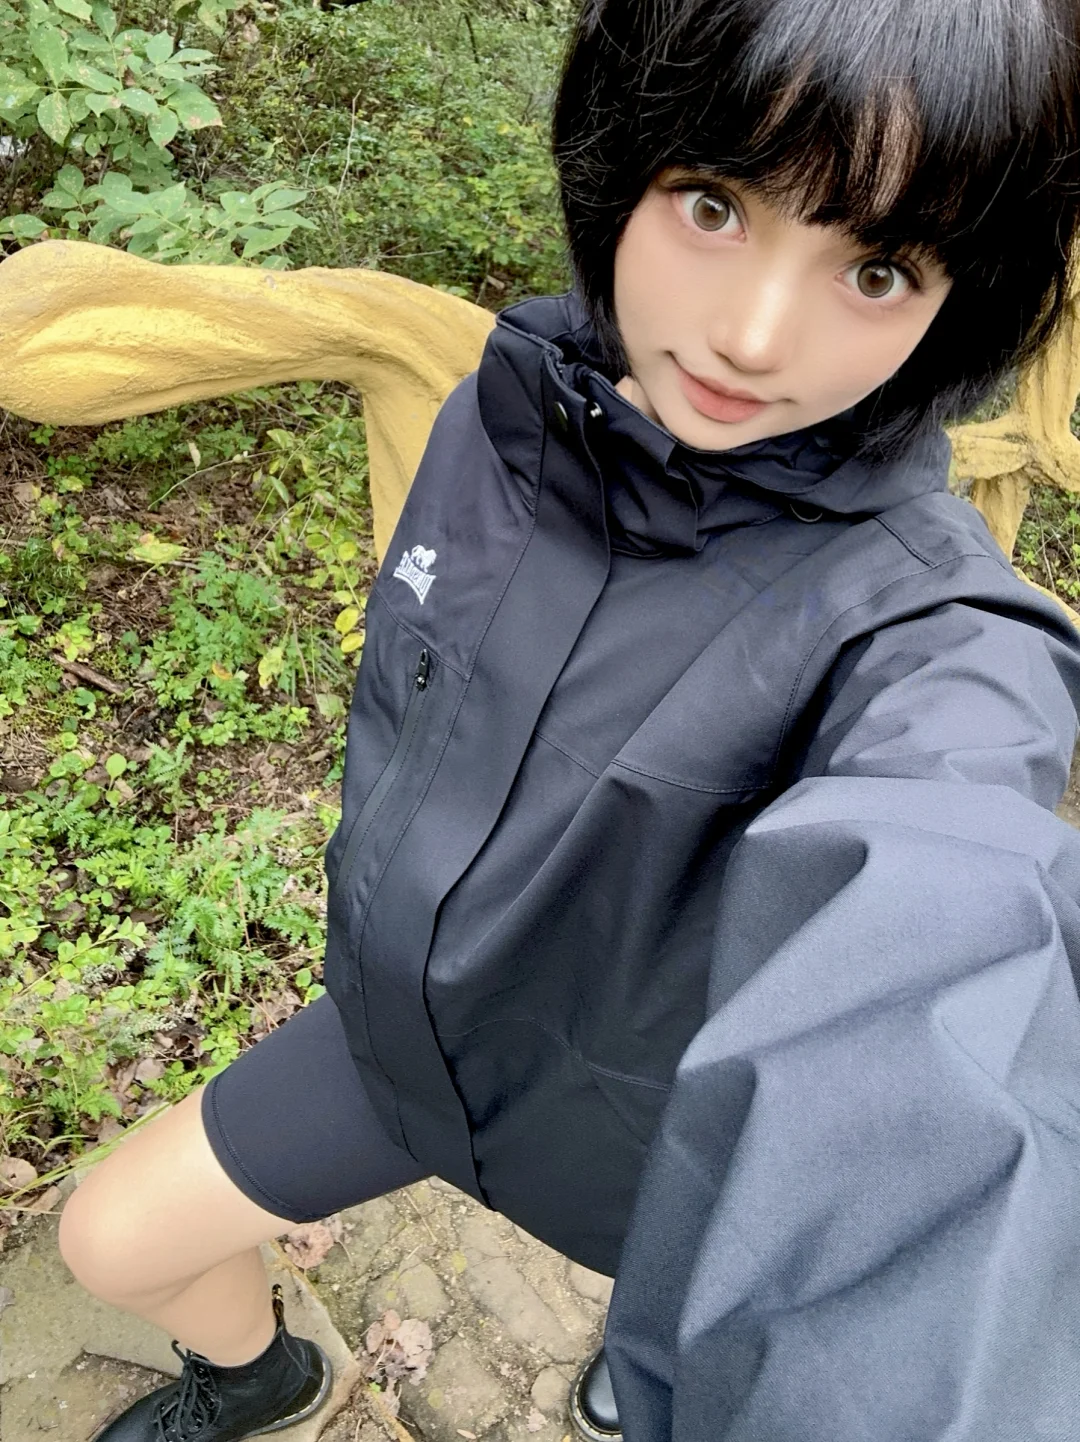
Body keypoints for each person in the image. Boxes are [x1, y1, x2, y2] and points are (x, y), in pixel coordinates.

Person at [58, 0, 1080, 1438]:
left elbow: (947, 965)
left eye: (878, 267)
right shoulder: (505, 416)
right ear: (623, 159)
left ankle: (638, 1352)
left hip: (653, 1150)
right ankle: (266, 1375)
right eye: (714, 203)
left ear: (961, 302)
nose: (753, 335)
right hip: (404, 1048)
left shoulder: (929, 640)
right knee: (109, 1240)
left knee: (668, 1353)